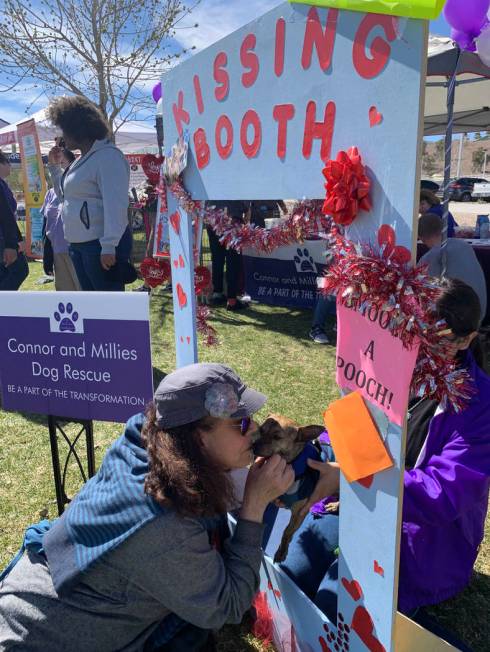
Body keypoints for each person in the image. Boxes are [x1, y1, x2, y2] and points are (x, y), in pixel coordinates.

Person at [0, 363, 294, 651]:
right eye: (240, 423)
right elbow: (228, 606)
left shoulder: (147, 438)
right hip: (42, 639)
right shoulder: (164, 524)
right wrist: (254, 507)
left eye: (251, 418)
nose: (254, 430)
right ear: (198, 438)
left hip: (31, 600)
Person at [281, 279, 490, 623]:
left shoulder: (479, 406)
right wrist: (318, 459)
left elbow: (441, 495)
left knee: (335, 609)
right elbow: (355, 419)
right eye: (411, 335)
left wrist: (350, 478)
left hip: (420, 538)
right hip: (353, 496)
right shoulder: (393, 359)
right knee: (292, 577)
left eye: (431, 344)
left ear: (466, 339)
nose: (416, 351)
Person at [47, 96, 132, 291]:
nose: (62, 136)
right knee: (91, 310)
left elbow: (116, 204)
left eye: (65, 129)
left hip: (99, 247)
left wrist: (109, 246)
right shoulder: (79, 161)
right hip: (77, 245)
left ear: (79, 128)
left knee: (108, 311)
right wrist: (53, 168)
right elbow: (64, 198)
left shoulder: (109, 157)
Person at [418, 212, 487, 322]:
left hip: (459, 324)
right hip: (480, 313)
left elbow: (421, 296)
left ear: (420, 238)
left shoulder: (427, 260)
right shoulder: (465, 246)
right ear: (442, 228)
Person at [41, 149, 80, 291]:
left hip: (77, 250)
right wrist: (47, 255)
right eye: (55, 162)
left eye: (61, 162)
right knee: (64, 294)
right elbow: (46, 226)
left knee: (83, 291)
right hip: (57, 252)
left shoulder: (79, 189)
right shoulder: (50, 194)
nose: (58, 166)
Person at [206, 201, 249, 311]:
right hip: (233, 222)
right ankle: (232, 300)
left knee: (217, 259)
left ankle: (217, 294)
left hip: (213, 221)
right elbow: (246, 207)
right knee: (233, 261)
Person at [0, 150, 29, 291]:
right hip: (3, 240)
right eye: (7, 163)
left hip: (6, 239)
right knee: (20, 271)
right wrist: (13, 244)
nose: (10, 166)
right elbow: (6, 214)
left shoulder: (3, 184)